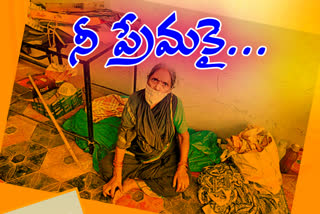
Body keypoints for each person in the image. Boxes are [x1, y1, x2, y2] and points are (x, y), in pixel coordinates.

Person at [99, 63, 191, 202]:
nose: (157, 87)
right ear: (148, 79)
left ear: (170, 88)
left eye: (164, 84)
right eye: (155, 80)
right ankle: (140, 180)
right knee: (106, 167)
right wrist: (117, 175)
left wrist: (182, 167)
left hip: (164, 153)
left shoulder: (174, 104)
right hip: (137, 152)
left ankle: (134, 183)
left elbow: (183, 136)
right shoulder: (135, 101)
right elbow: (124, 137)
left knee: (177, 184)